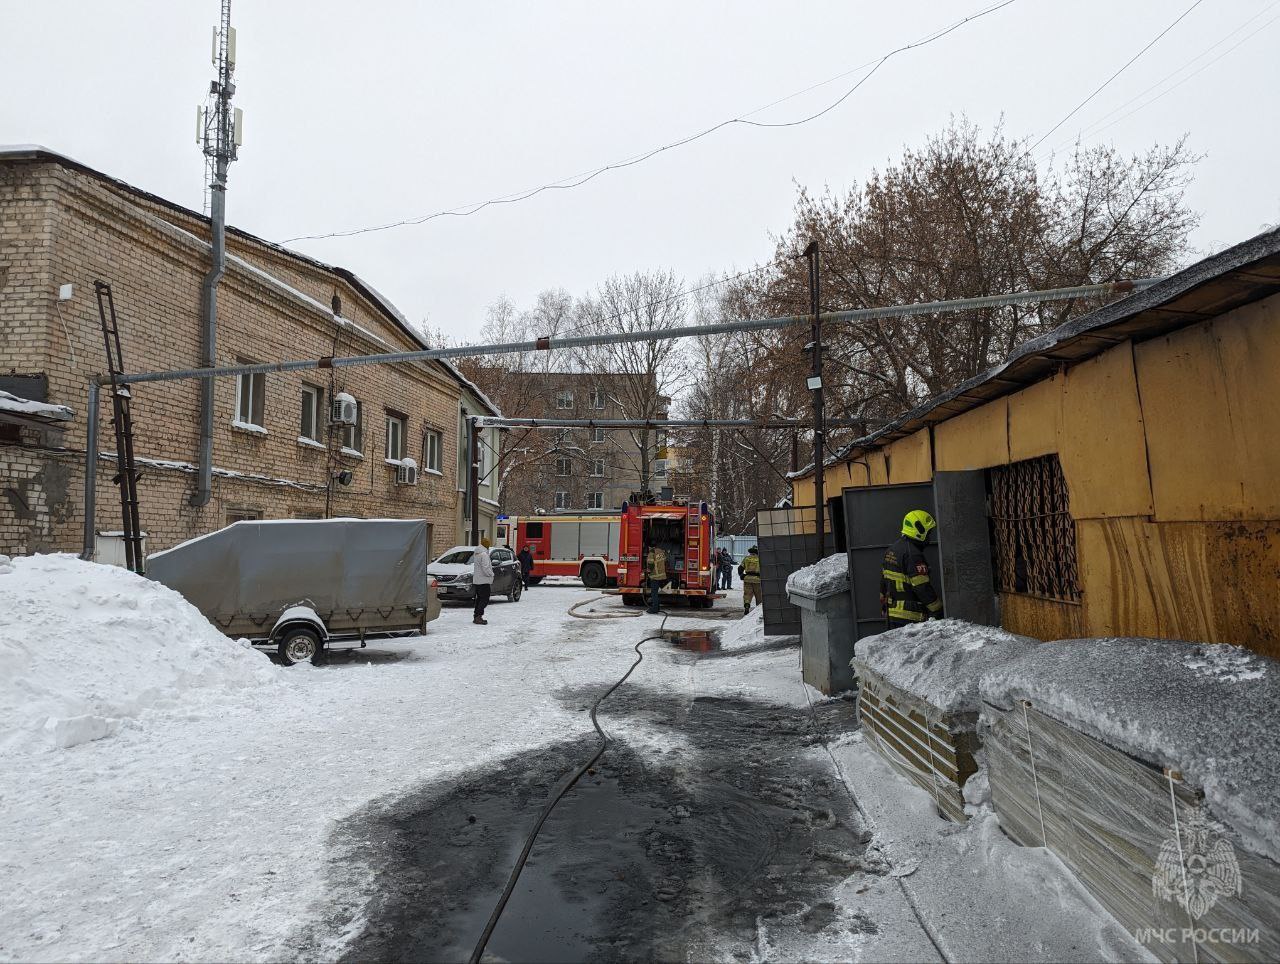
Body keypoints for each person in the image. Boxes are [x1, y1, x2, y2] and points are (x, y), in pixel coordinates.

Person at [880, 509, 943, 629]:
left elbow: (883, 582)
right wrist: (938, 610)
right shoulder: (913, 554)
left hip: (892, 615)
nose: (929, 537)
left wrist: (884, 606)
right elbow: (921, 586)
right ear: (919, 531)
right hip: (909, 617)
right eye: (928, 533)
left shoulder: (891, 550)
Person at [472, 545, 494, 625]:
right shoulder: (484, 555)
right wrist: (491, 574)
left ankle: (476, 615)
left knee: (479, 599)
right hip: (484, 580)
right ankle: (479, 617)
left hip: (478, 580)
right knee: (485, 599)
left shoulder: (477, 554)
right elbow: (486, 567)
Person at [643, 544, 667, 614]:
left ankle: (655, 608)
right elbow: (665, 561)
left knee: (654, 593)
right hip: (661, 575)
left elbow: (650, 564)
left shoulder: (652, 553)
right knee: (656, 593)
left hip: (655, 576)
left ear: (650, 547)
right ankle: (657, 607)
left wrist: (648, 571)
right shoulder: (661, 551)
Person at [739, 546, 762, 615]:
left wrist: (741, 575)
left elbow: (740, 568)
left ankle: (747, 605)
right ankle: (758, 610)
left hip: (747, 579)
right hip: (758, 579)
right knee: (759, 596)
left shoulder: (746, 558)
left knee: (747, 594)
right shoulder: (760, 558)